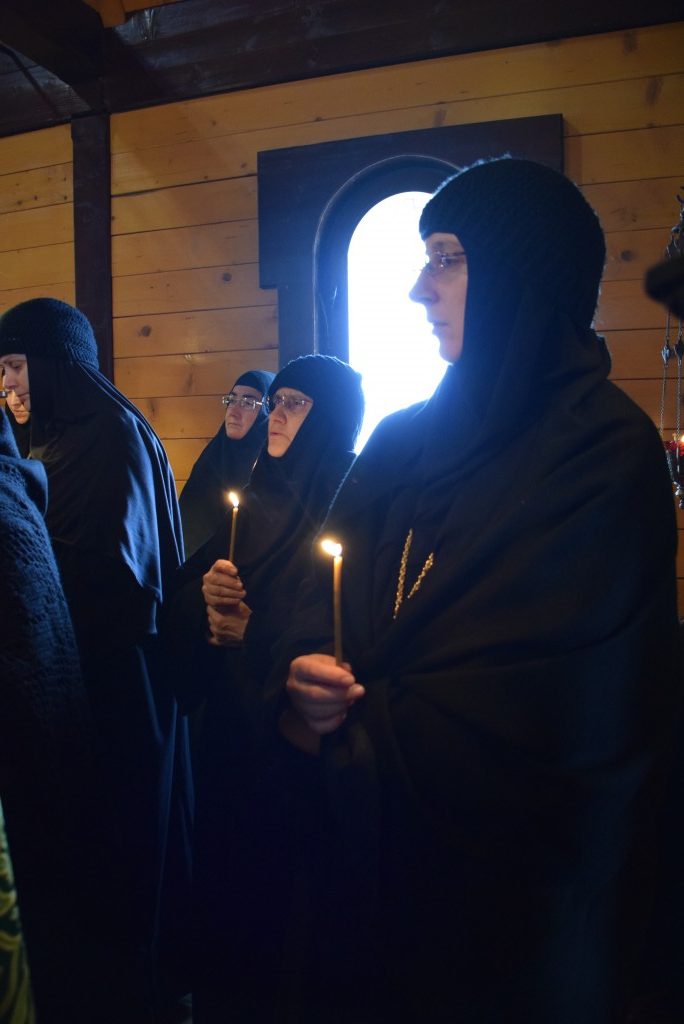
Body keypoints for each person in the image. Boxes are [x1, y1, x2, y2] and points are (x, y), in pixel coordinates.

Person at [250, 158, 679, 1023]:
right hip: (366, 885)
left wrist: (353, 732)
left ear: (521, 271)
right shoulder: (406, 436)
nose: (420, 288)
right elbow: (313, 594)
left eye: (446, 258)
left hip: (517, 913)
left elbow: (557, 706)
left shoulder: (604, 451)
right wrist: (301, 674)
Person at [0, 299, 193, 1022]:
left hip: (120, 675)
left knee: (124, 837)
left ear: (55, 364)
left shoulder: (110, 436)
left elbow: (116, 574)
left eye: (15, 366)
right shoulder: (54, 438)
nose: (7, 385)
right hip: (77, 667)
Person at [177, 355, 364, 1023]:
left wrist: (254, 636)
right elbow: (185, 602)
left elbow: (339, 634)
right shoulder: (253, 496)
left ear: (329, 417)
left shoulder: (351, 504)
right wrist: (203, 602)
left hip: (293, 758)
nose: (276, 415)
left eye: (295, 404)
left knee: (285, 923)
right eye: (275, 400)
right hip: (227, 739)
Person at [178, 368, 274, 558]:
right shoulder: (212, 460)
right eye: (231, 400)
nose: (233, 412)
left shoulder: (271, 469)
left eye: (247, 403)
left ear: (268, 411)